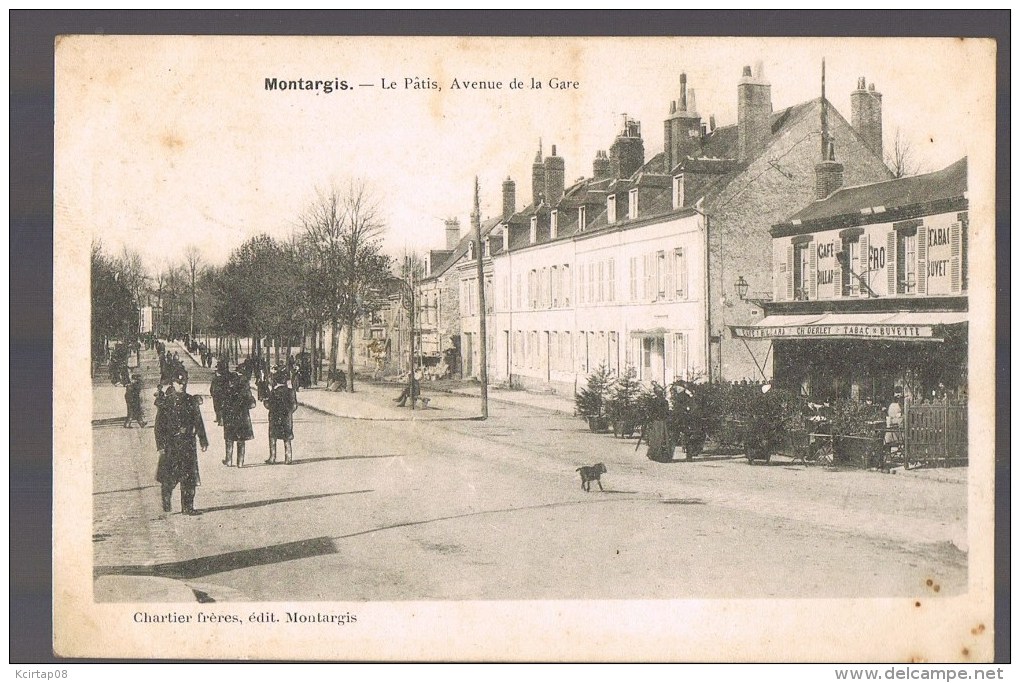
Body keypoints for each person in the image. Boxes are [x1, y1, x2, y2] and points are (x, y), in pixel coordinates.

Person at [154, 376, 208, 515]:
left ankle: (188, 507)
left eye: (184, 383)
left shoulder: (191, 401)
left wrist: (203, 440)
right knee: (169, 477)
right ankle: (166, 501)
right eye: (179, 383)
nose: (182, 386)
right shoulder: (166, 402)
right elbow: (159, 426)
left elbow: (198, 421)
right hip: (170, 445)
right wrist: (161, 446)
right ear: (173, 384)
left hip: (188, 444)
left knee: (189, 477)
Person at [221, 371, 256, 468]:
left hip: (229, 419)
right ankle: (240, 462)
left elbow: (222, 405)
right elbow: (252, 404)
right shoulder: (244, 391)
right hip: (242, 419)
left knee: (229, 440)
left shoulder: (226, 391)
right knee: (241, 441)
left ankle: (228, 460)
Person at [263, 369, 298, 464]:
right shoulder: (291, 391)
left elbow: (268, 405)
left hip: (275, 418)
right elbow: (294, 406)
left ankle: (272, 457)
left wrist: (265, 401)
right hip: (287, 418)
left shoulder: (273, 392)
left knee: (273, 438)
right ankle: (288, 458)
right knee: (287, 438)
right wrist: (289, 412)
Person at [209, 359, 230, 426]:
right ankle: (221, 419)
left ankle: (220, 419)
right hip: (221, 393)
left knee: (217, 406)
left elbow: (213, 386)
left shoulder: (217, 377)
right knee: (221, 406)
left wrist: (212, 392)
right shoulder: (226, 376)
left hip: (218, 393)